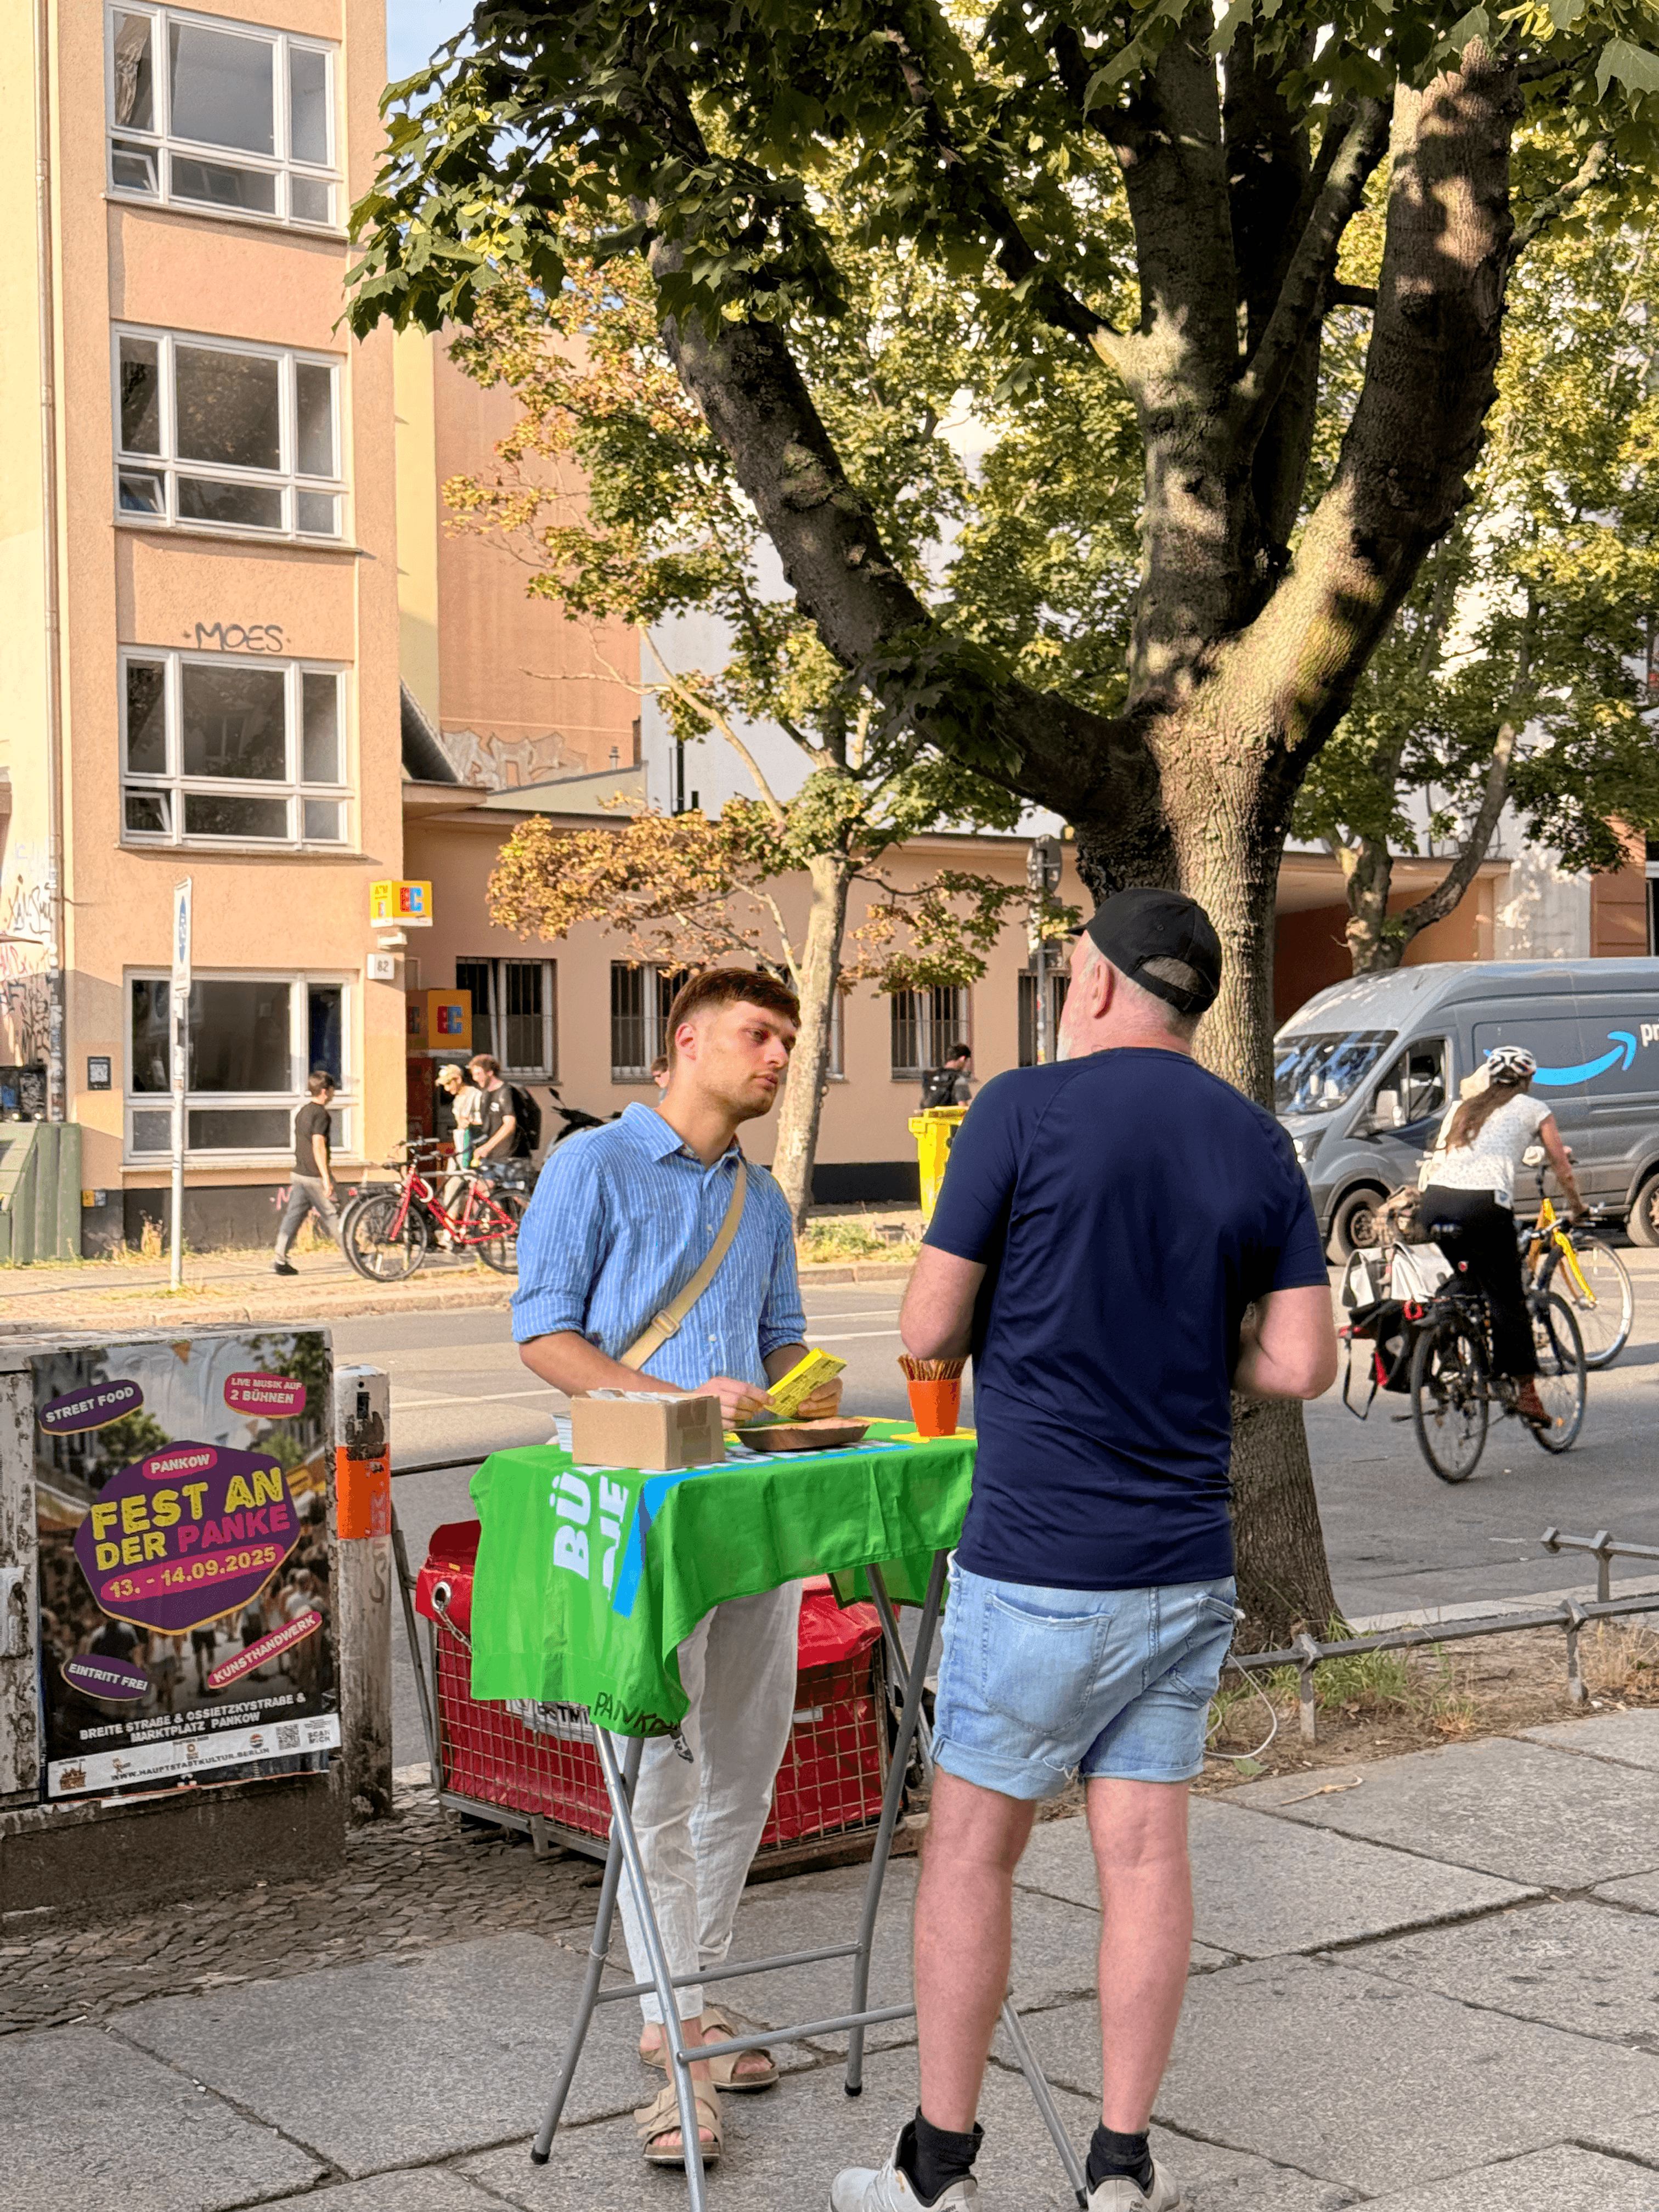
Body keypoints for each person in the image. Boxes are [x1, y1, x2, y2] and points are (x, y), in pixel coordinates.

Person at [833, 891, 1338, 2212]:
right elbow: (1302, 1363)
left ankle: (937, 2174)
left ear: (1103, 984)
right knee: (1147, 1859)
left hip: (1039, 1564)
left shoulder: (1020, 1110)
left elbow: (928, 1331)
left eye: (1067, 974)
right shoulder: (1256, 1138)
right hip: (1185, 1566)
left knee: (970, 1853)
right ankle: (1121, 2170)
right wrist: (1203, 1341)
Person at [514, 968, 842, 2169]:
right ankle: (675, 2041)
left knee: (746, 1758)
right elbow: (544, 1335)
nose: (779, 1057)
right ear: (687, 1043)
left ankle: (686, 1998)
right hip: (632, 1505)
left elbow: (779, 1339)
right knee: (657, 1766)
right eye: (760, 1035)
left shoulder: (762, 1196)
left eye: (789, 1039)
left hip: (747, 1506)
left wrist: (805, 1388)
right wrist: (678, 1398)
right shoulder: (591, 1166)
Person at [1418, 1044, 1583, 1427]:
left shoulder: (1467, 1109)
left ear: (1492, 1077)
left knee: (1469, 1277)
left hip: (1435, 1203)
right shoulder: (1534, 1108)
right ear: (1528, 1079)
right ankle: (1525, 1393)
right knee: (1507, 1297)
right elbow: (1562, 1166)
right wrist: (1577, 1208)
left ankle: (1451, 1345)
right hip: (1484, 1206)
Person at [272, 1071, 341, 1276]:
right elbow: (318, 1146)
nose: (334, 1093)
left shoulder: (303, 1112)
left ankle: (280, 1260)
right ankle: (358, 1256)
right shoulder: (321, 1114)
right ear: (325, 1091)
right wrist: (326, 1178)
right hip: (314, 1177)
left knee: (293, 1216)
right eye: (332, 1090)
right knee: (333, 1215)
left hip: (299, 1173)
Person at [469, 1053, 528, 1164]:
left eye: (478, 1074)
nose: (475, 1078)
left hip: (511, 1157)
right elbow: (492, 1120)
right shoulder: (485, 1094)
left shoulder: (506, 1092)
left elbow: (509, 1124)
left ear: (490, 1072)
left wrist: (487, 1147)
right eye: (473, 1074)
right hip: (493, 1156)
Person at [919, 1042, 972, 1111]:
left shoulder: (931, 1076)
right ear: (963, 1058)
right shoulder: (958, 1079)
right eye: (966, 1062)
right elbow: (963, 1107)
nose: (966, 1065)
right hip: (949, 1117)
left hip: (928, 1117)